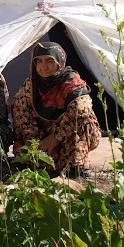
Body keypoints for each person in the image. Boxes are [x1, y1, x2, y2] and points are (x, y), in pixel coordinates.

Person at [11, 40, 101, 177]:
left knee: (83, 118)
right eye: (39, 61)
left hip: (66, 135)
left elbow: (82, 111)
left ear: (59, 62)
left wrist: (54, 138)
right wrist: (38, 143)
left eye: (49, 61)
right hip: (43, 137)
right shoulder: (32, 85)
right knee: (28, 154)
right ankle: (46, 160)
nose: (43, 67)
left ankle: (76, 165)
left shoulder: (72, 83)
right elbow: (21, 112)